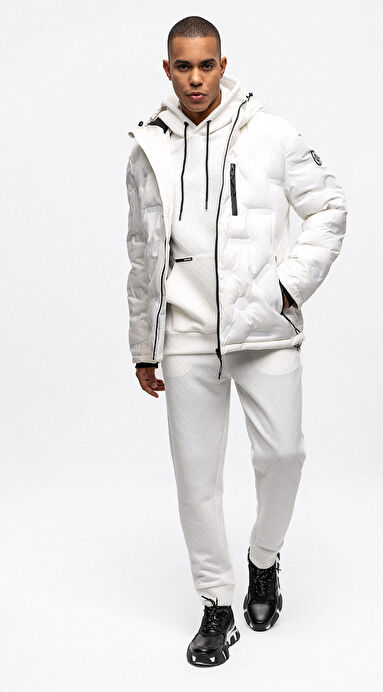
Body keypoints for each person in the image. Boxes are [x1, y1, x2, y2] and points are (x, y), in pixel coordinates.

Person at [125, 15, 347, 667]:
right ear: (167, 69)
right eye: (183, 66)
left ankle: (264, 559)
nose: (196, 78)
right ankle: (216, 605)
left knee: (284, 455)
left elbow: (329, 208)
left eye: (206, 64)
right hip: (186, 337)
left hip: (264, 332)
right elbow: (141, 252)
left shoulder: (272, 135)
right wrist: (144, 343)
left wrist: (286, 288)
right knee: (196, 480)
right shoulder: (148, 149)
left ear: (223, 65)